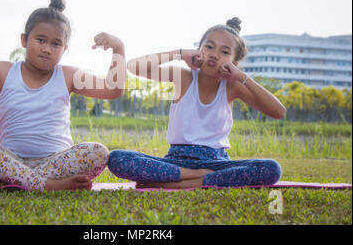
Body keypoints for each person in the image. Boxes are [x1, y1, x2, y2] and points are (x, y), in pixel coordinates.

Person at [0, 0, 126, 191]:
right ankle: (45, 185)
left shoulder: (67, 75)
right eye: (40, 40)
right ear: (24, 40)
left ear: (64, 48)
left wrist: (118, 48)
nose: (47, 49)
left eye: (56, 44)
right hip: (10, 160)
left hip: (56, 163)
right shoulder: (3, 72)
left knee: (98, 152)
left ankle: (13, 181)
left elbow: (113, 89)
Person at [108, 17, 286, 188]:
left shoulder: (233, 87)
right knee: (118, 159)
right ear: (198, 50)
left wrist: (242, 77)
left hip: (216, 163)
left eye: (224, 52)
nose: (215, 55)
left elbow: (278, 111)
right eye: (209, 47)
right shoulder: (184, 77)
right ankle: (198, 176)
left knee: (270, 169)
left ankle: (184, 182)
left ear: (234, 63)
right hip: (175, 161)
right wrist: (179, 54)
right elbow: (133, 67)